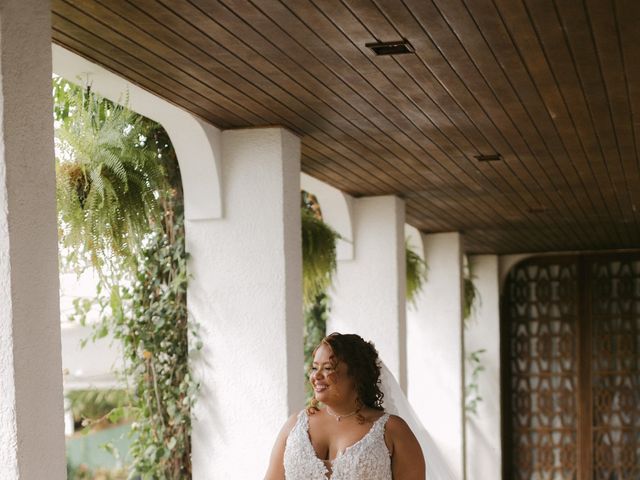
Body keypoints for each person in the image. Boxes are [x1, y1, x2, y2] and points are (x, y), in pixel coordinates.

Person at [264, 332, 426, 479]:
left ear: (357, 375)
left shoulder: (392, 430)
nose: (316, 376)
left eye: (327, 368)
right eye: (314, 367)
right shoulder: (294, 427)